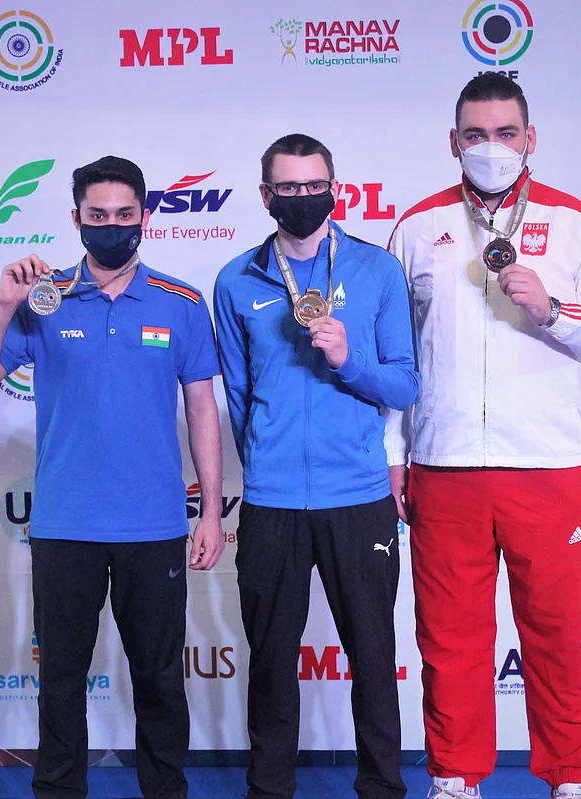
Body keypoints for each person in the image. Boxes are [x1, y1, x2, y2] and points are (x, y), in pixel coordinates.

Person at [385, 75, 581, 799]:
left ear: (530, 139)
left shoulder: (574, 222)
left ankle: (570, 779)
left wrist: (555, 309)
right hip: (445, 466)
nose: (491, 148)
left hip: (548, 465)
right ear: (454, 142)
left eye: (505, 134)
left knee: (560, 637)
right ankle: (456, 778)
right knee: (449, 640)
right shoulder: (415, 228)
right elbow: (392, 353)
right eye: (476, 134)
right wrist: (395, 454)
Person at [0, 156, 225, 799]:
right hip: (65, 524)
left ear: (145, 217)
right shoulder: (43, 298)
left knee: (160, 677)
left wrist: (211, 510)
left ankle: (165, 791)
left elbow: (201, 410)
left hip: (154, 524)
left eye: (124, 215)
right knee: (62, 681)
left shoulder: (182, 303)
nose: (112, 226)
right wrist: (2, 305)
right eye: (98, 216)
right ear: (76, 219)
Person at [213, 134, 418, 799]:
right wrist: (267, 463)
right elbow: (240, 398)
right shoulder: (236, 279)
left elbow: (404, 386)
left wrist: (348, 359)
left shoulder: (375, 270)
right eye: (288, 188)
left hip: (358, 498)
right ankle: (269, 790)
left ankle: (382, 788)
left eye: (313, 186)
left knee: (372, 657)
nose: (302, 198)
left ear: (335, 189)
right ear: (266, 195)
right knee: (271, 661)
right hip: (273, 502)